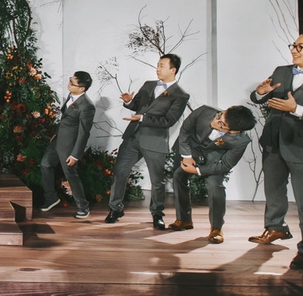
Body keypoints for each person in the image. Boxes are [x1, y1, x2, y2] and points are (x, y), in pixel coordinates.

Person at [248, 31, 303, 270]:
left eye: (300, 47)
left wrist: (297, 109)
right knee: (273, 191)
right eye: (293, 45)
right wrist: (260, 93)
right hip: (273, 142)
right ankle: (276, 228)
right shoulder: (282, 71)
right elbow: (261, 98)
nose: (294, 50)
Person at [104, 54, 190, 229]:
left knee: (157, 181)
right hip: (133, 137)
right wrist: (129, 102)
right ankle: (115, 209)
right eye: (157, 65)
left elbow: (168, 121)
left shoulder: (180, 95)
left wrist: (143, 118)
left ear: (173, 70)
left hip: (154, 141)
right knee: (119, 172)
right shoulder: (148, 85)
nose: (157, 69)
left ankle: (157, 214)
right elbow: (138, 106)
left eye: (161, 66)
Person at [168, 105, 256, 244]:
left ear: (234, 131)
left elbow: (225, 164)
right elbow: (185, 131)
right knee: (179, 176)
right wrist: (186, 156)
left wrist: (198, 171)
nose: (215, 121)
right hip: (191, 148)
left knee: (215, 186)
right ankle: (184, 220)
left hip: (214, 158)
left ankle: (216, 229)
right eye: (219, 116)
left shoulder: (240, 140)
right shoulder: (204, 111)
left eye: (221, 124)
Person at [40, 71, 96, 218]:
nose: (69, 84)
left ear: (82, 88)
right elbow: (65, 119)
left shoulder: (87, 106)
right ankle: (51, 198)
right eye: (70, 80)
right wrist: (56, 133)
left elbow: (84, 133)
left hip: (69, 145)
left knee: (70, 174)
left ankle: (83, 206)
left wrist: (75, 155)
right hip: (57, 140)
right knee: (45, 164)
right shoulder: (71, 96)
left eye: (72, 83)